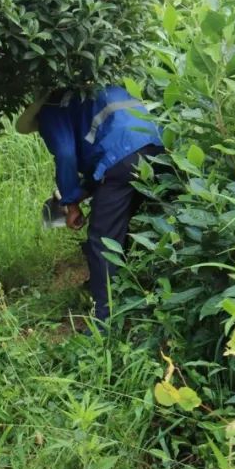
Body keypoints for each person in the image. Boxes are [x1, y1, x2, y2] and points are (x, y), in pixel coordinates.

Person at [16, 85, 164, 324]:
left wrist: (71, 202)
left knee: (103, 241)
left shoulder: (52, 108)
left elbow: (65, 154)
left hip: (122, 157)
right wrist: (80, 193)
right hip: (159, 147)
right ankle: (133, 296)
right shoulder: (97, 89)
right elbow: (104, 160)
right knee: (124, 225)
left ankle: (106, 322)